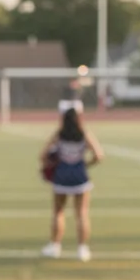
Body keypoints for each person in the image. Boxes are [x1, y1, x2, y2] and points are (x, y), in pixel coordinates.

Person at [40, 99, 104, 261]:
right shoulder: (83, 133)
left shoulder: (59, 134)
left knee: (58, 212)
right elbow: (99, 155)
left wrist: (51, 164)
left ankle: (55, 246)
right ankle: (82, 249)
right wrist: (86, 164)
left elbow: (43, 155)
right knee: (82, 213)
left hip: (61, 176)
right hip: (79, 175)